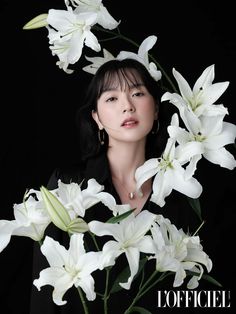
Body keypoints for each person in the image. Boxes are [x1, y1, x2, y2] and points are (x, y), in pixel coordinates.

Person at [29, 58, 208, 314]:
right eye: (111, 98)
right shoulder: (68, 185)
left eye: (137, 93)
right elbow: (43, 297)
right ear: (97, 118)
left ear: (156, 109)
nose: (127, 106)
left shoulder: (182, 193)